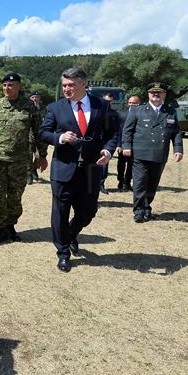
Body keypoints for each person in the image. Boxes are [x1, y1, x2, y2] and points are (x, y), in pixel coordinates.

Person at [39, 67, 118, 272]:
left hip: (91, 169)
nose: (67, 89)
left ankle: (72, 233)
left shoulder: (103, 106)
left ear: (83, 84)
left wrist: (108, 151)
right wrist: (59, 138)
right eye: (64, 85)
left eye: (71, 85)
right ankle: (63, 252)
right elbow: (43, 132)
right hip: (63, 168)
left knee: (88, 212)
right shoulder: (55, 108)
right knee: (61, 211)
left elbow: (112, 133)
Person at [0, 73, 48, 246]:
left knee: (16, 195)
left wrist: (42, 155)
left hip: (20, 160)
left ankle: (10, 225)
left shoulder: (30, 106)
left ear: (19, 86)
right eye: (4, 86)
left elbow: (39, 132)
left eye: (10, 85)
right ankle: (0, 228)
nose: (7, 89)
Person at [121, 82, 184, 223]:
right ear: (148, 94)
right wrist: (126, 146)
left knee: (152, 184)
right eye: (153, 92)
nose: (156, 95)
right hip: (140, 153)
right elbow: (127, 130)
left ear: (164, 95)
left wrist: (178, 149)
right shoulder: (138, 110)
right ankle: (138, 211)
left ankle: (146, 207)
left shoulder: (171, 112)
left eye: (159, 92)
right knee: (140, 182)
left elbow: (177, 132)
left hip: (159, 154)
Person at [116, 95, 141, 190]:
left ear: (139, 104)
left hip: (136, 145)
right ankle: (120, 181)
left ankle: (127, 182)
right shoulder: (121, 114)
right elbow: (119, 130)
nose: (131, 105)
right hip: (123, 144)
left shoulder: (142, 114)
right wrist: (119, 145)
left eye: (134, 103)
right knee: (121, 164)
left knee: (132, 165)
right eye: (130, 103)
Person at [99, 93, 115, 194]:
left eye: (110, 101)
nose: (108, 103)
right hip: (95, 143)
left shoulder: (114, 114)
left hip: (106, 144)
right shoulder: (97, 112)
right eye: (106, 101)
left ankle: (101, 184)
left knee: (104, 166)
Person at [27, 91, 44, 184]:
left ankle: (34, 169)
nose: (35, 99)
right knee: (28, 155)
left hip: (41, 136)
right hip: (29, 135)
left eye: (36, 97)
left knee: (38, 156)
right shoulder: (26, 109)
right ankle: (29, 173)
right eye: (33, 97)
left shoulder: (44, 109)